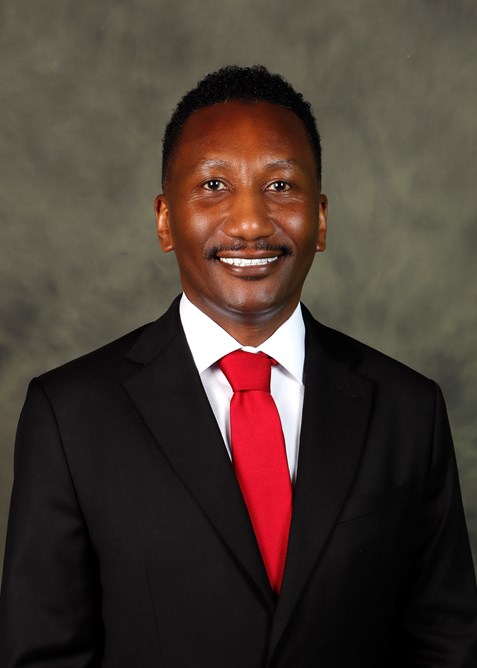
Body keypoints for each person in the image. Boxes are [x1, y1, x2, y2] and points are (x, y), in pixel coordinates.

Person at [0, 65, 476, 667]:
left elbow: (445, 647)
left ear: (321, 219)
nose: (250, 223)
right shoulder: (69, 415)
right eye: (213, 184)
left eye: (280, 185)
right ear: (165, 220)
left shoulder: (409, 411)